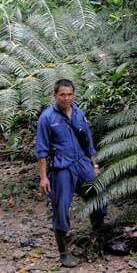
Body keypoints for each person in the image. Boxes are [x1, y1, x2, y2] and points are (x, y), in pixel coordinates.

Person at [36, 79, 107, 268]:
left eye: (69, 94)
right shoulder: (47, 118)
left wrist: (94, 164)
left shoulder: (78, 112)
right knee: (61, 207)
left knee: (99, 195)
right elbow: (42, 150)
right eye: (62, 95)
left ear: (73, 94)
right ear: (55, 95)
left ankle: (98, 235)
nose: (66, 98)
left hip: (82, 163)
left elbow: (88, 140)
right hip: (61, 167)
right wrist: (43, 177)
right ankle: (64, 253)